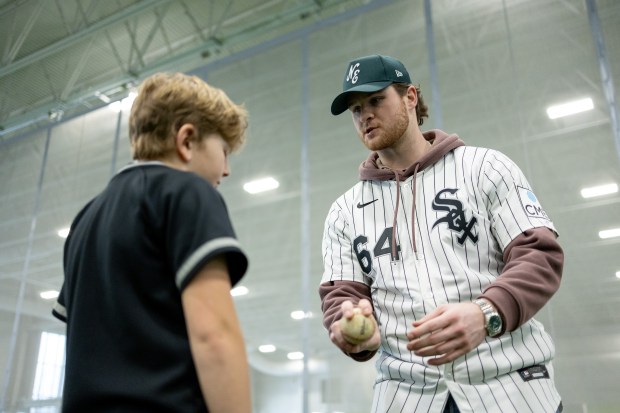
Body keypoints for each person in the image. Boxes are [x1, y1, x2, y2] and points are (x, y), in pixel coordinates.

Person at [319, 55, 564, 413]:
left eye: (375, 100)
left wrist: (486, 313)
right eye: (355, 109)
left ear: (410, 97)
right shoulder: (344, 211)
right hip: (406, 398)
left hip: (510, 389)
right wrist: (349, 324)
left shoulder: (484, 168)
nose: (365, 115)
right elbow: (342, 293)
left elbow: (539, 256)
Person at [52, 72, 251, 412]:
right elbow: (214, 337)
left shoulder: (85, 219)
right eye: (223, 151)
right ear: (186, 140)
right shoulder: (188, 192)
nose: (227, 169)